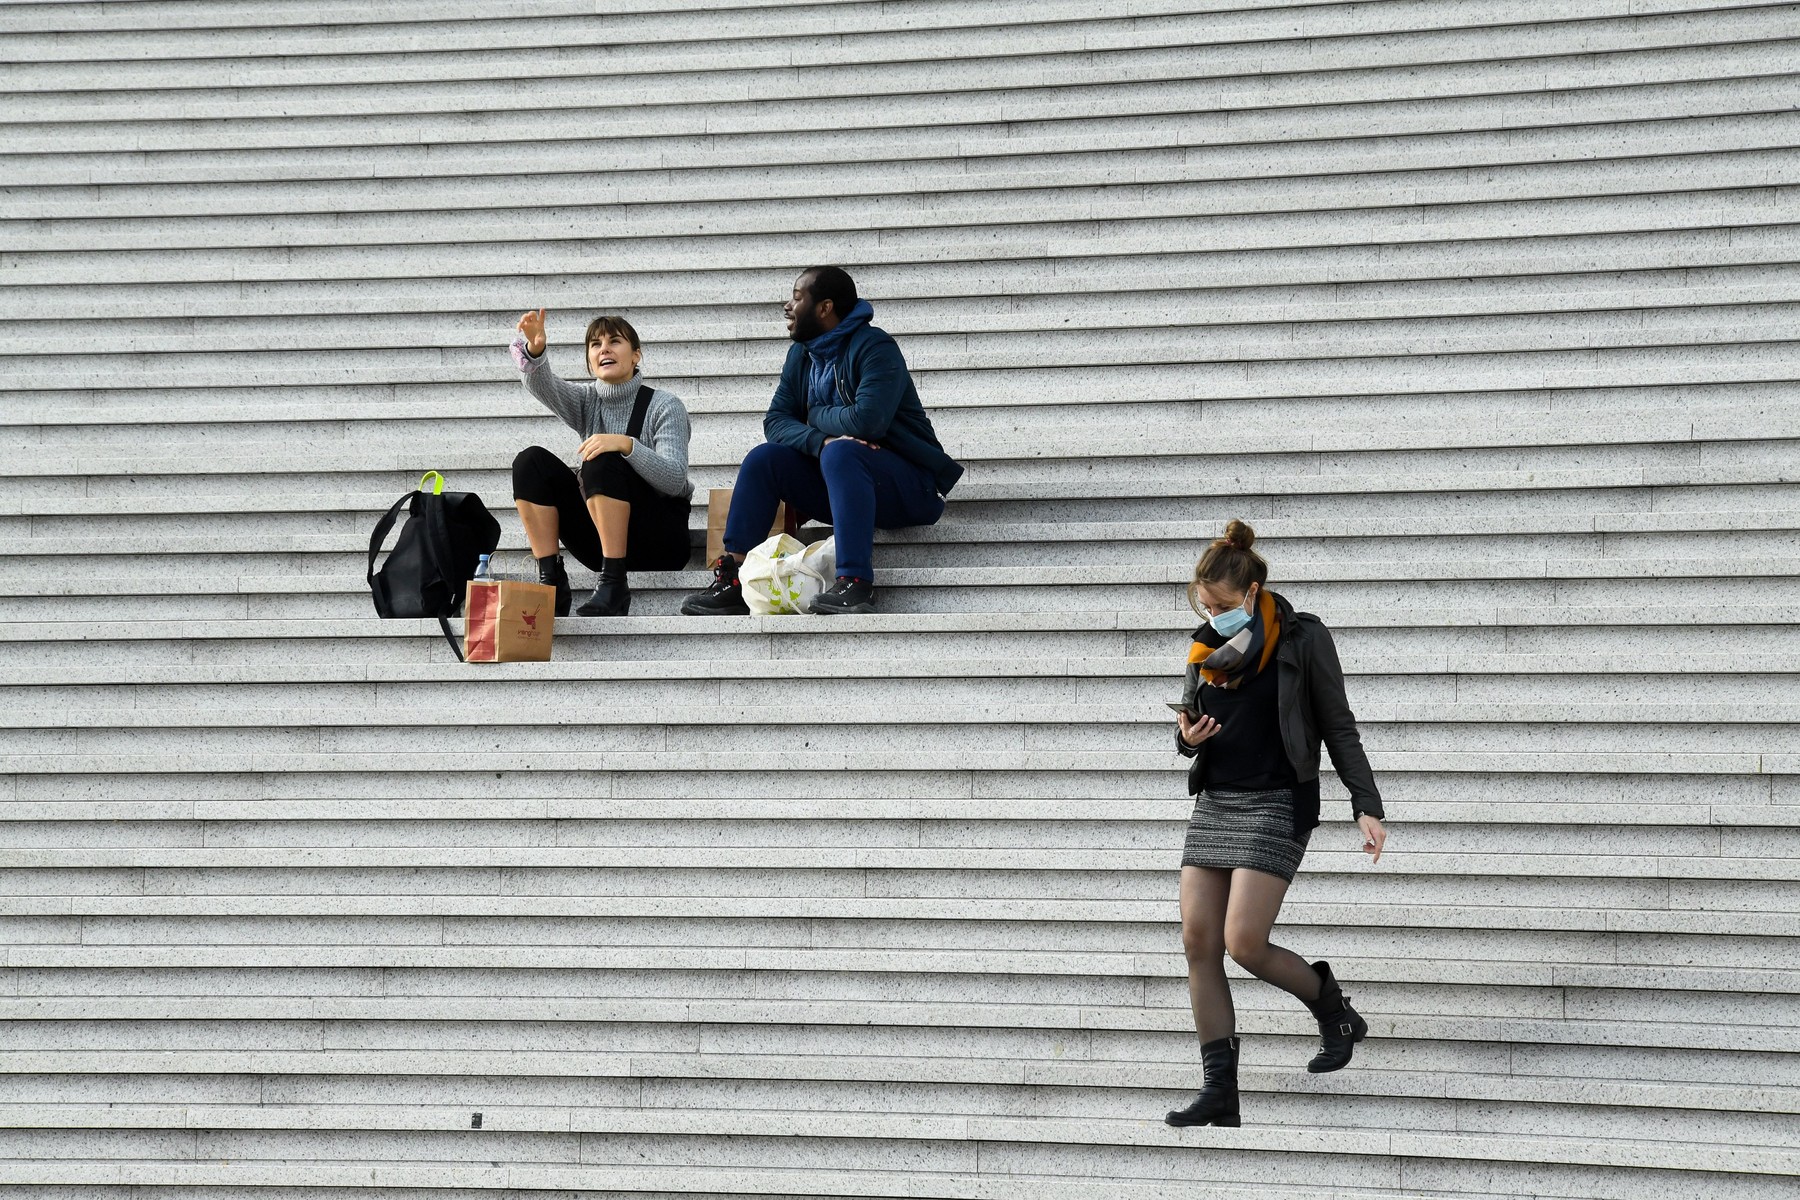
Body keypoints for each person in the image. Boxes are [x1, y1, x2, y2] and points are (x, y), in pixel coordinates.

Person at [1163, 520, 1388, 1129]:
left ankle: (1331, 1007)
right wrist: (1186, 739)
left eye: (1222, 605)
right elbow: (1186, 725)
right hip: (1218, 801)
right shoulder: (1204, 648)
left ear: (1254, 591)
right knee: (1198, 943)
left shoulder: (1303, 638)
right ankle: (1219, 1090)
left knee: (1243, 941)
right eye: (1204, 605)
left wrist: (1366, 804)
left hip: (1277, 801)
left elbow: (1338, 725)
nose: (1212, 615)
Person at [679, 266, 961, 616]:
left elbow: (867, 422)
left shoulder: (875, 347)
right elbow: (776, 421)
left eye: (797, 298)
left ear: (825, 308)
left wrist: (814, 416)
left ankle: (856, 582)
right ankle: (733, 580)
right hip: (844, 481)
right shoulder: (802, 354)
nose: (787, 306)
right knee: (765, 458)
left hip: (909, 488)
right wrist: (822, 441)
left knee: (843, 451)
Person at [509, 308, 693, 617]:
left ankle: (613, 583)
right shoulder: (587, 400)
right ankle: (551, 581)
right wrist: (536, 350)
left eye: (614, 341)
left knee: (601, 457)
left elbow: (675, 479)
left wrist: (625, 445)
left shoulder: (665, 405)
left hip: (660, 541)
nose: (604, 348)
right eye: (595, 344)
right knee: (530, 463)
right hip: (600, 543)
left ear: (636, 355)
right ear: (590, 360)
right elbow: (544, 387)